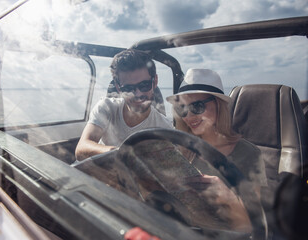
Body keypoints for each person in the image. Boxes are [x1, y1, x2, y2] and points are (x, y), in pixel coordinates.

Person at [166, 69, 267, 232]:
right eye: (182, 109)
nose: (189, 116)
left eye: (197, 106)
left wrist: (228, 198)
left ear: (219, 105)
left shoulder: (248, 153)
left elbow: (253, 226)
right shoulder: (180, 148)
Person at [75, 49, 172, 161]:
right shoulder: (107, 108)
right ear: (118, 88)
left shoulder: (165, 128)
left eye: (144, 85)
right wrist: (118, 153)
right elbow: (81, 150)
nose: (137, 94)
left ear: (154, 82)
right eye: (128, 88)